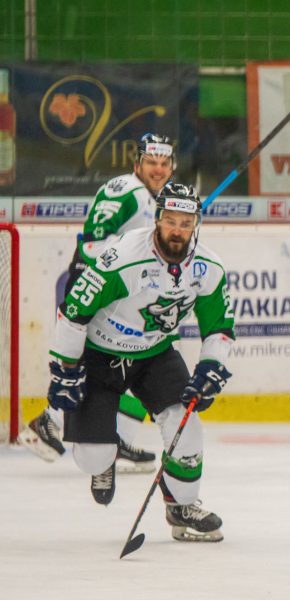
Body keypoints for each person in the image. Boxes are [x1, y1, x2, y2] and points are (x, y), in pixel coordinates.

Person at [46, 183, 234, 542]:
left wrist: (212, 367)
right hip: (100, 354)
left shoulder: (208, 268)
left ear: (196, 224)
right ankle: (105, 458)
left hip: (155, 353)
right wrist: (66, 369)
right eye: (170, 221)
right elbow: (73, 312)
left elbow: (219, 328)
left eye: (186, 222)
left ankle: (181, 507)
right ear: (157, 219)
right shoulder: (123, 259)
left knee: (187, 426)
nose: (177, 230)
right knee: (92, 458)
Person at [22, 132, 177, 473]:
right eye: (151, 162)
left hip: (117, 293)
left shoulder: (153, 198)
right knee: (100, 365)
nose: (158, 169)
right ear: (137, 163)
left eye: (165, 163)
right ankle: (50, 421)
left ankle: (110, 437)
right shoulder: (128, 191)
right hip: (95, 287)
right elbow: (94, 242)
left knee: (137, 360)